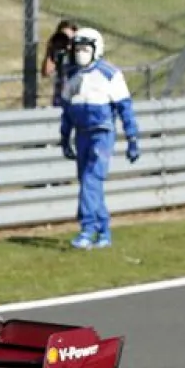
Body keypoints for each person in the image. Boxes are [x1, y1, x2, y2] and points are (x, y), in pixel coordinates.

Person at [60, 28, 139, 250]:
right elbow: (66, 110)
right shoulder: (72, 75)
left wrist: (132, 138)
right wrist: (65, 137)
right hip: (81, 134)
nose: (80, 53)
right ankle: (103, 231)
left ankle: (87, 229)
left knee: (91, 180)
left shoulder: (110, 73)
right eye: (77, 49)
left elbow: (125, 108)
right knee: (89, 184)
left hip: (102, 133)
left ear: (97, 50)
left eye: (86, 49)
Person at [41, 19, 78, 107]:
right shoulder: (58, 54)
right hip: (60, 102)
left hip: (76, 102)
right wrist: (51, 50)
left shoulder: (81, 55)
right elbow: (46, 72)